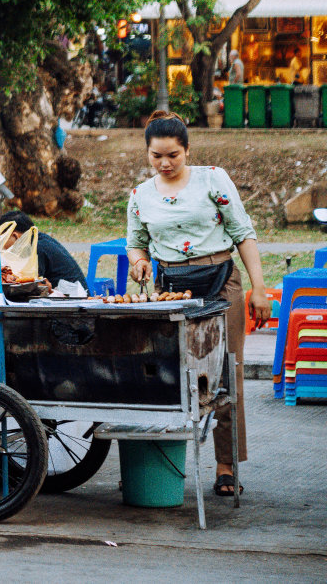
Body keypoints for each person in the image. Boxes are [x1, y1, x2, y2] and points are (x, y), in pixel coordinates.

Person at [126, 110, 268, 496]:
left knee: (227, 371)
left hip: (220, 280)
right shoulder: (140, 195)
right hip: (172, 285)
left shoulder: (212, 179)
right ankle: (164, 459)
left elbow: (243, 232)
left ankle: (226, 466)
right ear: (148, 154)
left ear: (187, 150)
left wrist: (259, 287)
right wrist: (140, 263)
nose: (165, 163)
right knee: (170, 372)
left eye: (173, 154)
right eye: (157, 156)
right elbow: (136, 242)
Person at [3, 210, 86, 287]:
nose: (1, 245)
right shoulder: (38, 239)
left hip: (73, 298)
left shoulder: (37, 248)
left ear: (15, 236)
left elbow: (29, 284)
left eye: (3, 238)